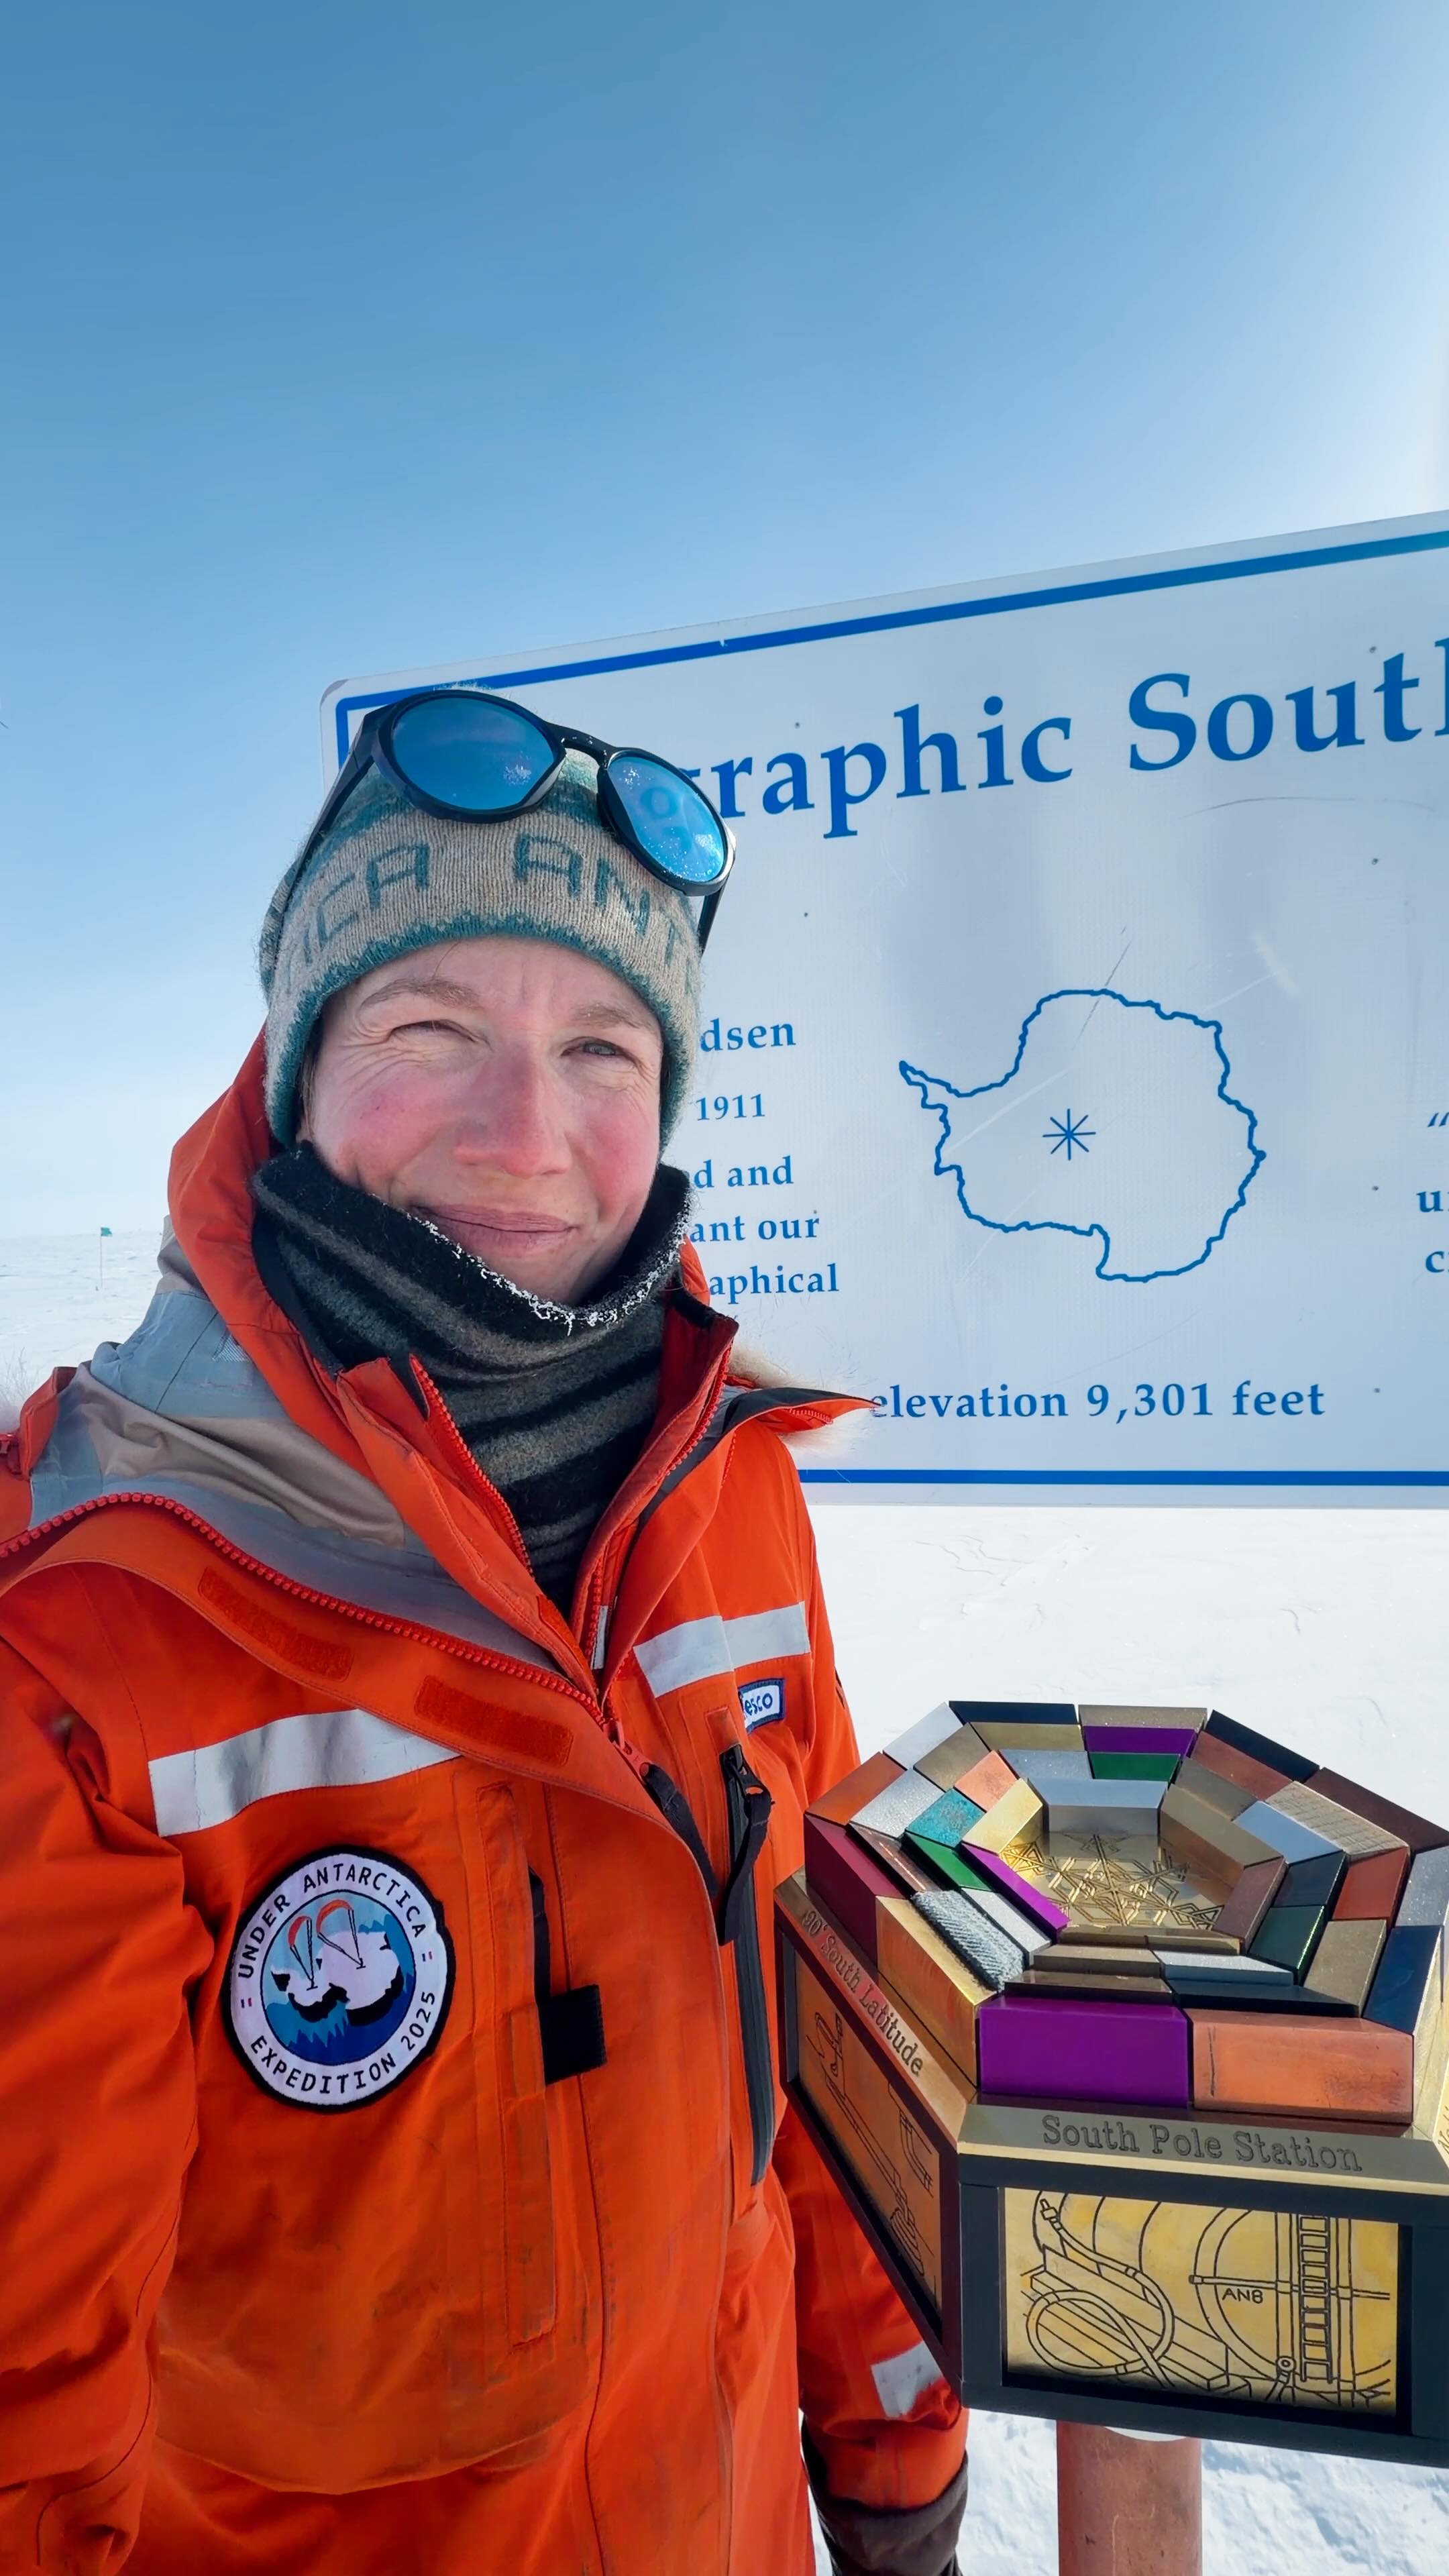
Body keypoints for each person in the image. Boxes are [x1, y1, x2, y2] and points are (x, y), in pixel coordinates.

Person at [0, 690, 968, 2575]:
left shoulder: (733, 1490)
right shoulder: (89, 1627)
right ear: (296, 1070)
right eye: (432, 1025)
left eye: (608, 1047)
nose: (532, 1130)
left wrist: (895, 2458)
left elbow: (835, 2038)